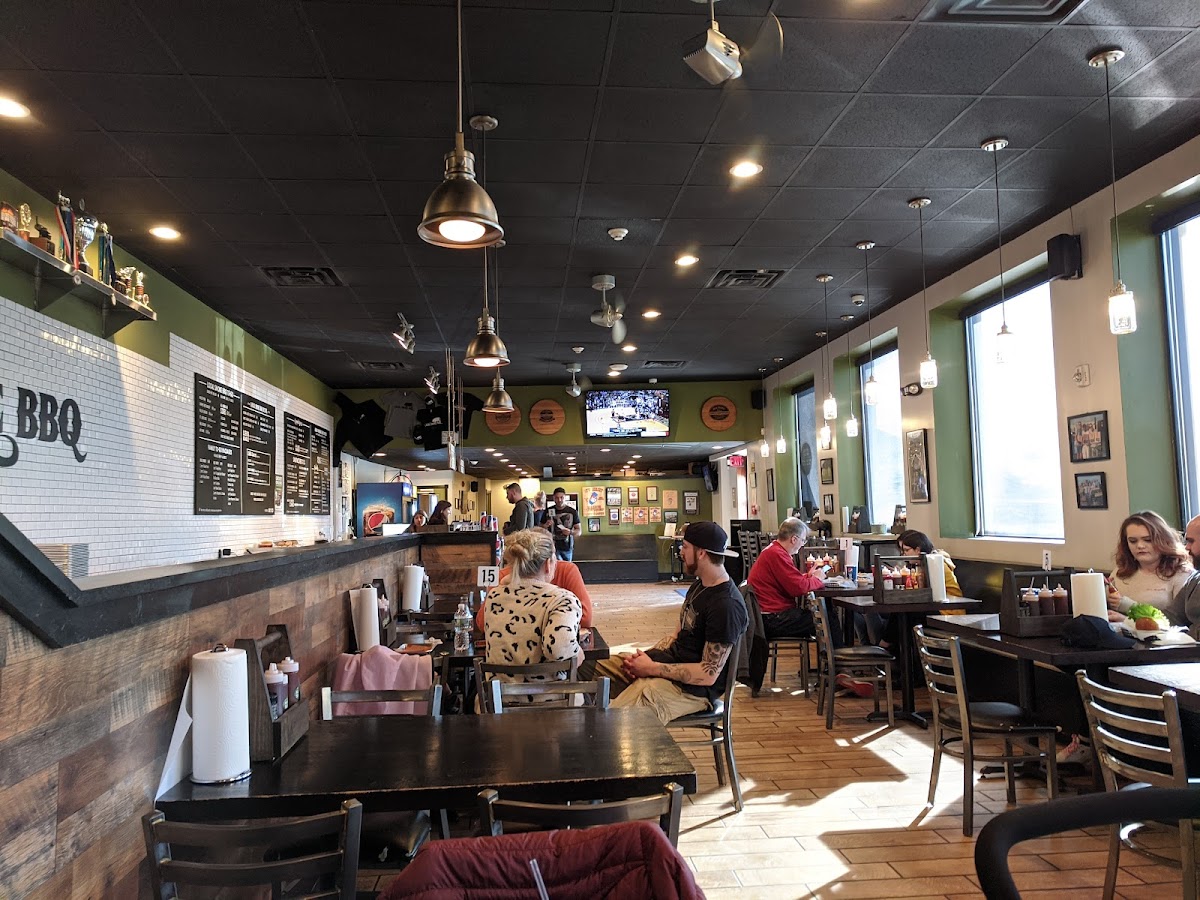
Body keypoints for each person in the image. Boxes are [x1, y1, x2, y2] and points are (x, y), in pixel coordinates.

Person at [591, 521, 748, 725]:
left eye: (685, 546)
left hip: (691, 691)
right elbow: (676, 636)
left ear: (701, 553)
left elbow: (708, 674)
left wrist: (651, 668)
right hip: (666, 668)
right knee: (587, 664)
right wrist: (645, 659)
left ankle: (598, 735)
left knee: (612, 724)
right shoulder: (700, 585)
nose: (681, 551)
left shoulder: (726, 605)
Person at [481, 528, 584, 678]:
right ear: (548, 564)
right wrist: (578, 652)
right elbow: (558, 649)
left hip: (498, 691)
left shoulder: (494, 596)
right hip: (547, 691)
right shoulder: (562, 600)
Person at [1106, 510, 1193, 626]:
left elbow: (1177, 621)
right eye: (1133, 541)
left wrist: (1128, 615)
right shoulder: (1120, 571)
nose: (1140, 546)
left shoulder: (1181, 573)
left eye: (1148, 540)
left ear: (1163, 540)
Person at [747, 517, 825, 641]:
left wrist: (808, 577)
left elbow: (788, 581)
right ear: (794, 539)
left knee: (824, 614)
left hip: (768, 615)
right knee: (826, 617)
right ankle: (837, 653)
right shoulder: (777, 554)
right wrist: (818, 580)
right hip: (772, 619)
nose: (802, 544)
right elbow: (797, 588)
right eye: (803, 540)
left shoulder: (774, 550)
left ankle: (830, 653)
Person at [476, 557, 593, 629]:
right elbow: (483, 623)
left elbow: (585, 618)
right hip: (552, 660)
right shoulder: (564, 597)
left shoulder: (566, 570)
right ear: (548, 563)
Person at [546, 487, 582, 561]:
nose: (559, 500)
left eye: (561, 497)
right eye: (557, 498)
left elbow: (579, 531)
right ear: (553, 498)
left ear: (565, 497)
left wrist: (570, 532)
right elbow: (540, 527)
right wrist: (546, 525)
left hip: (567, 547)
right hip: (552, 546)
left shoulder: (573, 512)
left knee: (567, 567)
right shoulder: (548, 511)